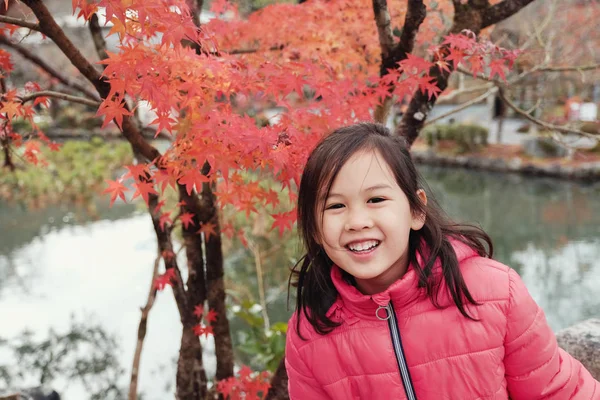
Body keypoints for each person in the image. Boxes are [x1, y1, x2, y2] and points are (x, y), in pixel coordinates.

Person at [285, 122, 600, 399]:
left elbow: (557, 391)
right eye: (335, 206)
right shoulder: (308, 334)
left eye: (376, 199)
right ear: (313, 228)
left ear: (416, 209)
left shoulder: (493, 292)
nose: (357, 221)